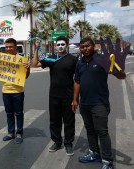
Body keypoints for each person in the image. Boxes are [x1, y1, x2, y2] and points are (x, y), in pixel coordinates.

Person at [72, 37, 126, 169]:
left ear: (94, 46)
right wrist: (75, 99)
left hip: (99, 104)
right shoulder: (80, 63)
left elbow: (120, 76)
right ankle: (94, 153)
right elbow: (77, 81)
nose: (85, 48)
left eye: (87, 46)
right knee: (90, 130)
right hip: (85, 104)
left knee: (102, 132)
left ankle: (107, 160)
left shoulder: (103, 59)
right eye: (82, 46)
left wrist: (120, 71)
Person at [32, 36, 78, 155]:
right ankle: (57, 142)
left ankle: (68, 144)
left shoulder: (73, 59)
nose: (60, 46)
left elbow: (78, 80)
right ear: (55, 46)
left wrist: (75, 99)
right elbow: (34, 64)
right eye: (58, 45)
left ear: (67, 45)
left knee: (69, 121)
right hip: (54, 96)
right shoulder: (52, 58)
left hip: (68, 96)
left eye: (63, 44)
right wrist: (36, 48)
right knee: (54, 120)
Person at [0, 38, 30, 144]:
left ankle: (19, 133)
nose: (8, 48)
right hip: (5, 91)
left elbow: (25, 77)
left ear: (15, 47)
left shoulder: (22, 59)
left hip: (18, 92)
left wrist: (28, 68)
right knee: (9, 113)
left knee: (18, 113)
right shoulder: (2, 59)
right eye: (6, 47)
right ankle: (11, 133)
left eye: (10, 46)